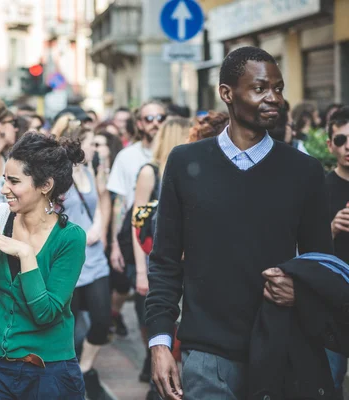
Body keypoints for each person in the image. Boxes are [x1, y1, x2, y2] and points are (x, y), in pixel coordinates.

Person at [146, 46, 333, 400]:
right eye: (260, 88)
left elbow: (320, 263)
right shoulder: (185, 162)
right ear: (227, 94)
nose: (273, 98)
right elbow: (165, 261)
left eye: (278, 88)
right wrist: (160, 341)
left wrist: (302, 292)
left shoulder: (303, 171)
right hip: (205, 354)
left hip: (281, 348)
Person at [0, 132, 87, 399]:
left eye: (14, 181)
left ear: (45, 185)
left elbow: (46, 313)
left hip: (49, 373)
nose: (4, 189)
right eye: (4, 180)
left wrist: (25, 254)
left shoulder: (70, 237)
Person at [107, 101, 166, 342]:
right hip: (137, 238)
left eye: (160, 118)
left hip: (167, 237)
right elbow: (119, 203)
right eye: (149, 119)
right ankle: (150, 354)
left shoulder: (175, 152)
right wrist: (114, 244)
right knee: (144, 300)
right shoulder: (127, 156)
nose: (155, 124)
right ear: (139, 123)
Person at [62, 127, 111, 400]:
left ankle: (84, 369)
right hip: (71, 262)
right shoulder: (60, 175)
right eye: (93, 143)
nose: (97, 147)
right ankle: (70, 376)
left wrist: (98, 227)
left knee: (102, 320)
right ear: (80, 145)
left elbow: (102, 201)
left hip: (96, 258)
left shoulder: (91, 171)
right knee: (71, 327)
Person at [325, 106, 349, 399]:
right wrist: (330, 229)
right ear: (330, 145)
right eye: (341, 140)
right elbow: (302, 251)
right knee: (328, 384)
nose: (348, 146)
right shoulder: (319, 187)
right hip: (331, 306)